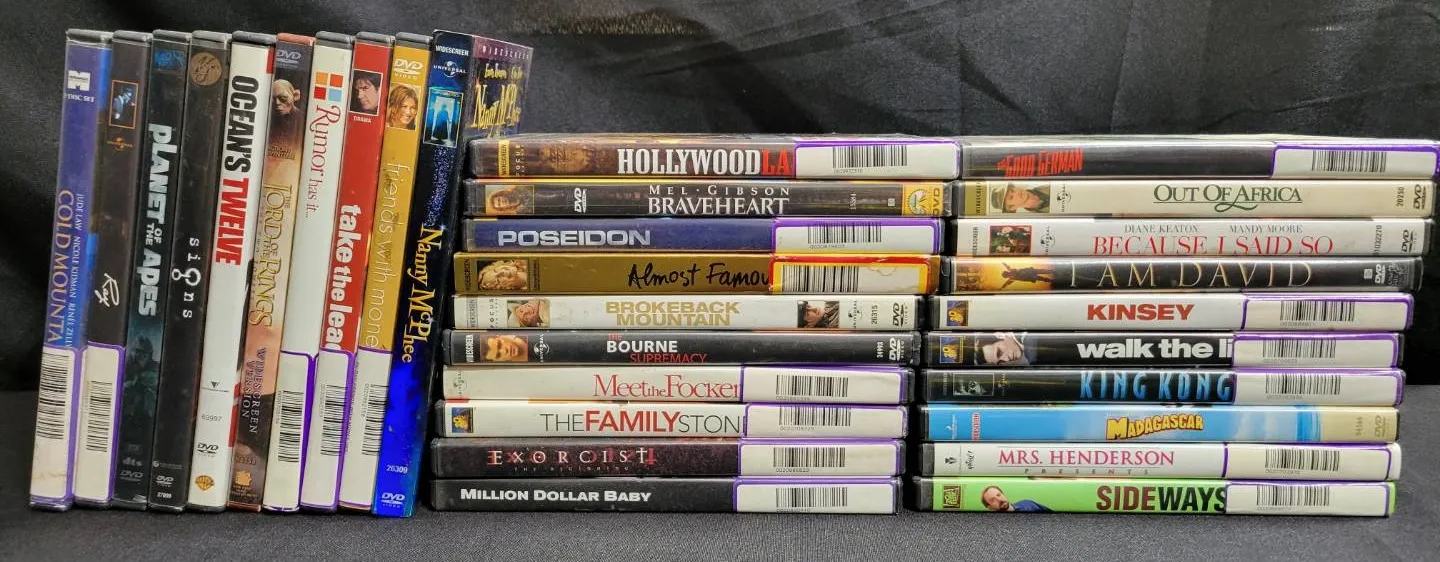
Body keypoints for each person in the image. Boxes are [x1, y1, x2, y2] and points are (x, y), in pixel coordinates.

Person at [981, 486, 1051, 512]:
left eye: (999, 495)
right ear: (990, 507)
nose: (1000, 500)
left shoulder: (1028, 504)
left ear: (1003, 494)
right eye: (993, 500)